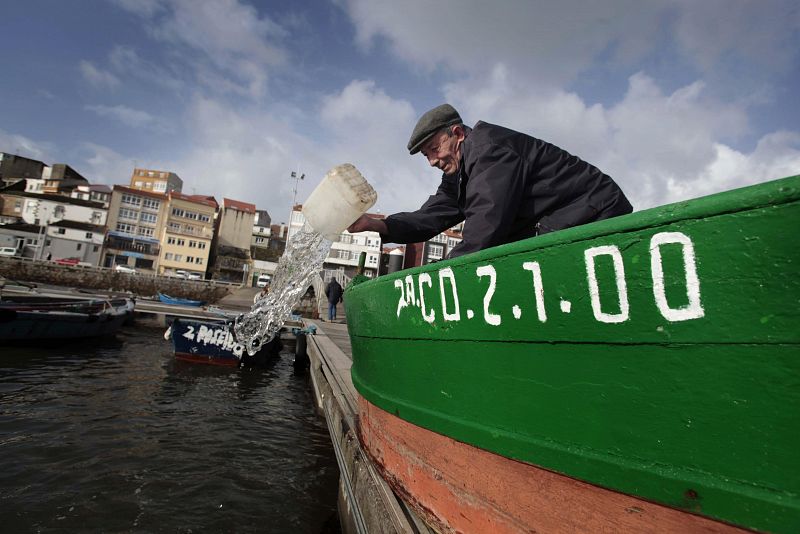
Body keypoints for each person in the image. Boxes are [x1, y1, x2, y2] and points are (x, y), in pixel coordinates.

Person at [347, 104, 632, 258]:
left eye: (434, 149)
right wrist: (379, 225)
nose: (432, 161)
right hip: (562, 223)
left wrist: (446, 270)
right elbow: (431, 217)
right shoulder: (459, 169)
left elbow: (486, 225)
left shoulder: (489, 150)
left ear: (457, 133)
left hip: (595, 213)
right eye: (425, 155)